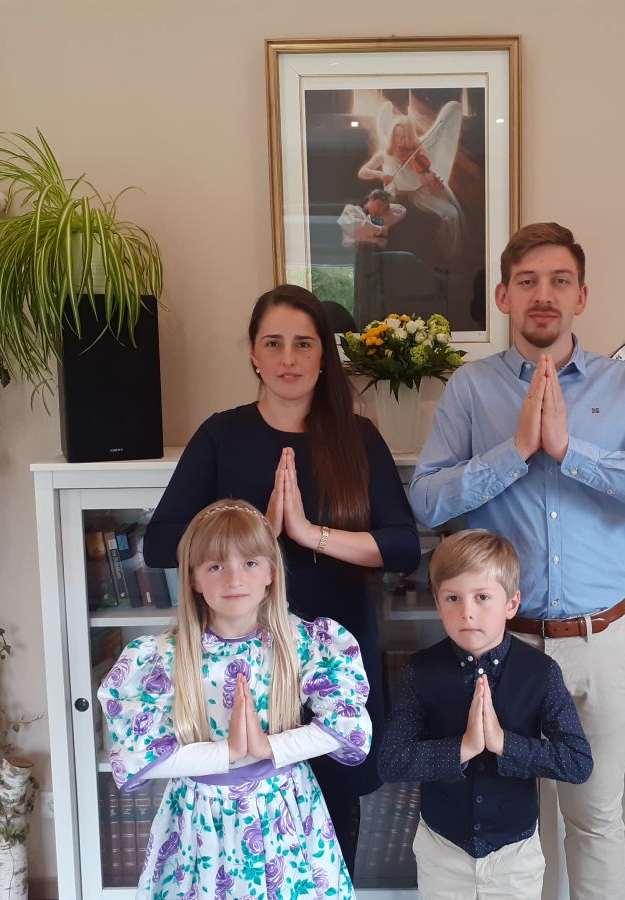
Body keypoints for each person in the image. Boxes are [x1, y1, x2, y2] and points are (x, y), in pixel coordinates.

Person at [409, 223, 625, 898]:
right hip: (502, 649)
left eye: (560, 281)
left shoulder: (623, 386)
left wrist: (574, 452)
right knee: (515, 828)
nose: (544, 295)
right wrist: (514, 452)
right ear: (504, 296)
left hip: (602, 643)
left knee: (596, 819)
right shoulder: (471, 389)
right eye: (529, 281)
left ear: (581, 296)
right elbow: (426, 500)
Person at [143, 284, 421, 876]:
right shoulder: (221, 435)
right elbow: (160, 543)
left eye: (303, 344)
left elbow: (402, 548)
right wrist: (256, 536)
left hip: (331, 660)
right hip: (236, 668)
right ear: (253, 353)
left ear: (324, 356)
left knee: (327, 836)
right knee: (238, 842)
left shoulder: (357, 437)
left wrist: (307, 532)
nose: (288, 359)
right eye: (273, 343)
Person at [99, 499, 372, 899]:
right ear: (193, 579)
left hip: (285, 816)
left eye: (249, 563)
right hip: (199, 822)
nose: (233, 579)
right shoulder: (162, 656)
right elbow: (138, 753)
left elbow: (347, 725)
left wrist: (269, 748)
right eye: (215, 567)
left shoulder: (303, 643)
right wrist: (224, 753)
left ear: (271, 573)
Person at [378, 529, 591, 900]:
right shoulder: (420, 671)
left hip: (515, 856)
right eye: (453, 598)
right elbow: (391, 762)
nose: (467, 612)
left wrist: (503, 743)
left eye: (482, 597)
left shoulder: (541, 672)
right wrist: (462, 748)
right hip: (442, 851)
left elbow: (577, 762)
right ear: (437, 603)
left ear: (511, 603)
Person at [358, 102, 464, 260]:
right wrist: (381, 175)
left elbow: (421, 177)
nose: (400, 140)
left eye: (404, 136)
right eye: (396, 135)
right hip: (394, 195)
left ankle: (449, 256)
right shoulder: (386, 153)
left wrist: (429, 180)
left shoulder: (419, 152)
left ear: (410, 136)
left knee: (451, 213)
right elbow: (363, 172)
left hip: (418, 195)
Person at [338, 189, 408, 248]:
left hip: (376, 251)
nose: (381, 209)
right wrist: (379, 229)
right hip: (354, 251)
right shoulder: (351, 209)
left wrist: (386, 207)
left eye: (385, 208)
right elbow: (355, 227)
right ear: (371, 198)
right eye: (379, 205)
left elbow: (401, 210)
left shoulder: (383, 217)